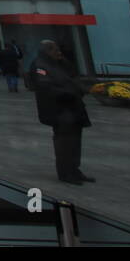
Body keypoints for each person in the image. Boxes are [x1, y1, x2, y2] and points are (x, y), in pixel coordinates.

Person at [32, 40, 94, 185]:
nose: (59, 53)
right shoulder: (40, 66)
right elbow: (45, 87)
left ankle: (74, 170)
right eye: (55, 50)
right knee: (64, 143)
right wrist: (69, 93)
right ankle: (65, 172)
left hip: (73, 109)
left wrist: (78, 89)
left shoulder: (59, 64)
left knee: (75, 141)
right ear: (47, 51)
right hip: (59, 110)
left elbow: (73, 76)